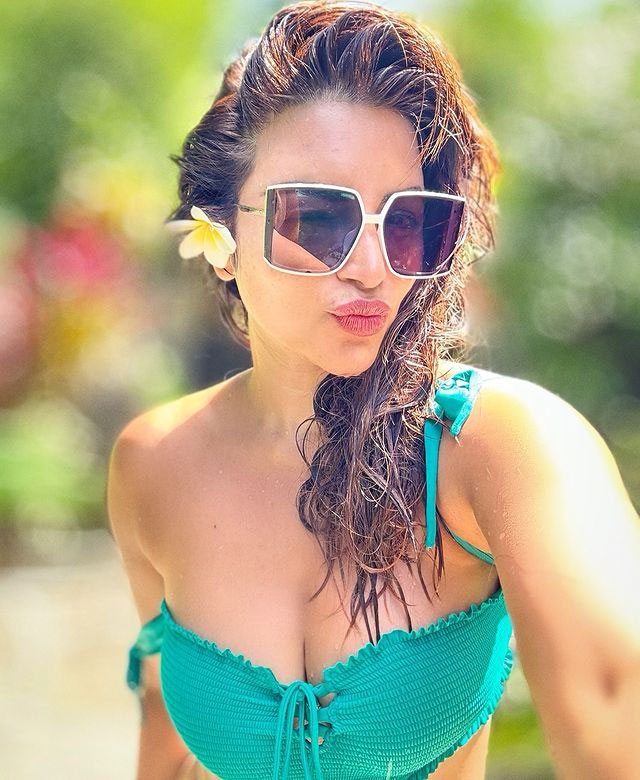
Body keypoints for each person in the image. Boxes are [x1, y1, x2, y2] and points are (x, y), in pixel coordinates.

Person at [106, 2, 640, 779]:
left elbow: (617, 708)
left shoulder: (493, 445)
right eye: (318, 218)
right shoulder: (152, 465)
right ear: (219, 236)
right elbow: (166, 734)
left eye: (409, 222)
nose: (371, 267)